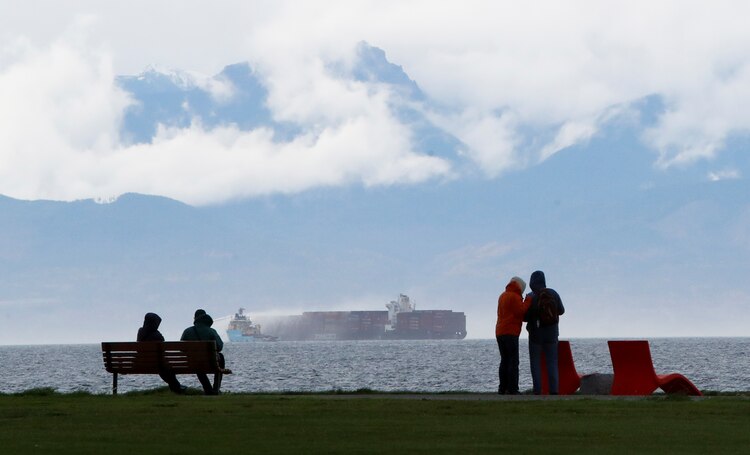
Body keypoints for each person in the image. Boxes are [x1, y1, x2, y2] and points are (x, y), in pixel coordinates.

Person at [524, 270, 565, 395]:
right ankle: (554, 390)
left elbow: (525, 317)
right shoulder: (553, 293)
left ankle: (537, 390)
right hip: (552, 333)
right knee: (552, 362)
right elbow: (562, 311)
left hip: (535, 334)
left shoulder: (530, 296)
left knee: (535, 363)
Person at [496, 276, 531, 395]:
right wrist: (527, 301)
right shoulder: (515, 297)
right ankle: (513, 389)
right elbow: (520, 311)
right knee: (513, 361)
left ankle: (502, 388)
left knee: (504, 360)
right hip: (511, 332)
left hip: (500, 331)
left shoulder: (502, 296)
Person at [136, 312, 186, 394]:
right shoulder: (157, 335)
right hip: (157, 363)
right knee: (166, 368)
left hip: (142, 363)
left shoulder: (141, 332)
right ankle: (177, 388)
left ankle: (176, 387)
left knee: (164, 369)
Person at [180, 309, 226, 395]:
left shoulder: (187, 331)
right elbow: (219, 347)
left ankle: (208, 389)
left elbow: (182, 349)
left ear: (195, 319)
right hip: (211, 361)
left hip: (192, 363)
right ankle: (216, 389)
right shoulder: (211, 331)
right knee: (221, 357)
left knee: (197, 364)